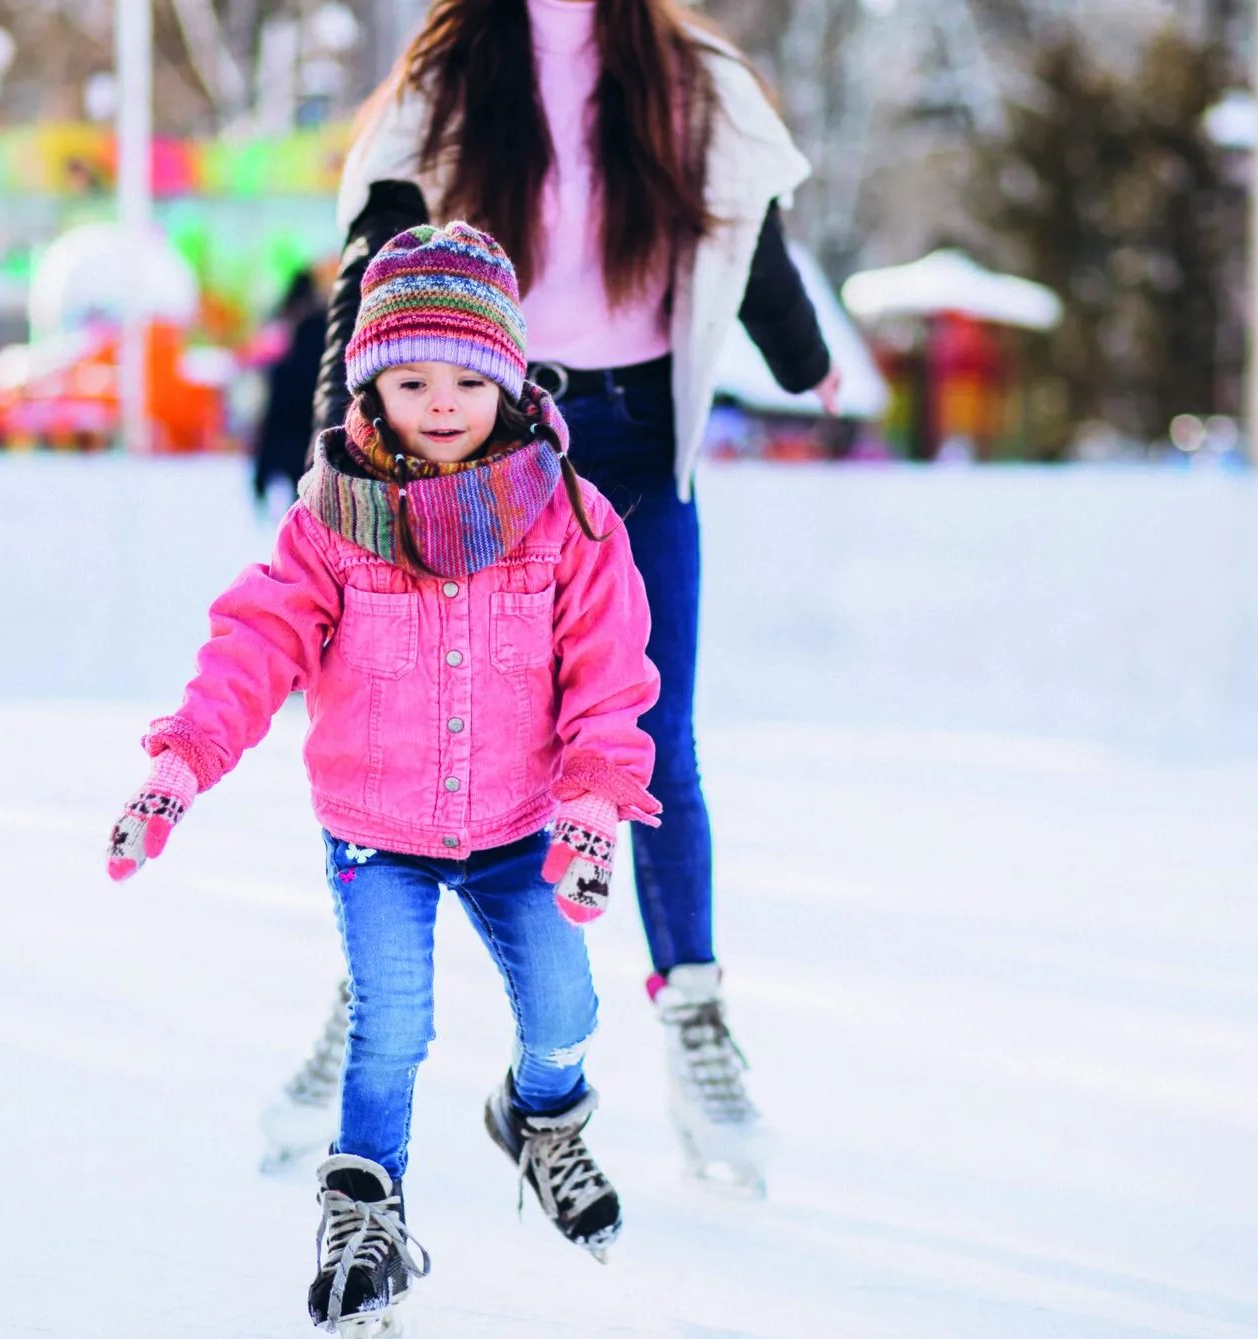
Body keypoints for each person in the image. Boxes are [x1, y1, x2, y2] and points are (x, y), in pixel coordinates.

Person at [260, 0, 840, 1193]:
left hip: (628, 437)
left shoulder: (688, 73)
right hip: (471, 443)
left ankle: (693, 1016)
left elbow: (750, 229)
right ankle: (364, 998)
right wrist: (338, 441)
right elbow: (372, 266)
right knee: (423, 734)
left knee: (652, 734)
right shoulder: (448, 72)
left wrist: (803, 359)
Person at [108, 224, 661, 1339]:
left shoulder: (567, 519)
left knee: (567, 1012)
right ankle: (364, 1219)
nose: (442, 401)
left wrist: (596, 797)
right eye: (411, 379)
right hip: (378, 833)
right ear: (369, 382)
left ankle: (540, 1118)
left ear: (507, 382)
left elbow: (608, 672)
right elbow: (253, 647)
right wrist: (180, 765)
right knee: (390, 1026)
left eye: (467, 378)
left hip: (522, 828)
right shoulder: (329, 524)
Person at [251, 269, 329, 512]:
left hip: (290, 450)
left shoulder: (285, 369)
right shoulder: (329, 371)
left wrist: (260, 477)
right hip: (316, 453)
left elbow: (273, 421)